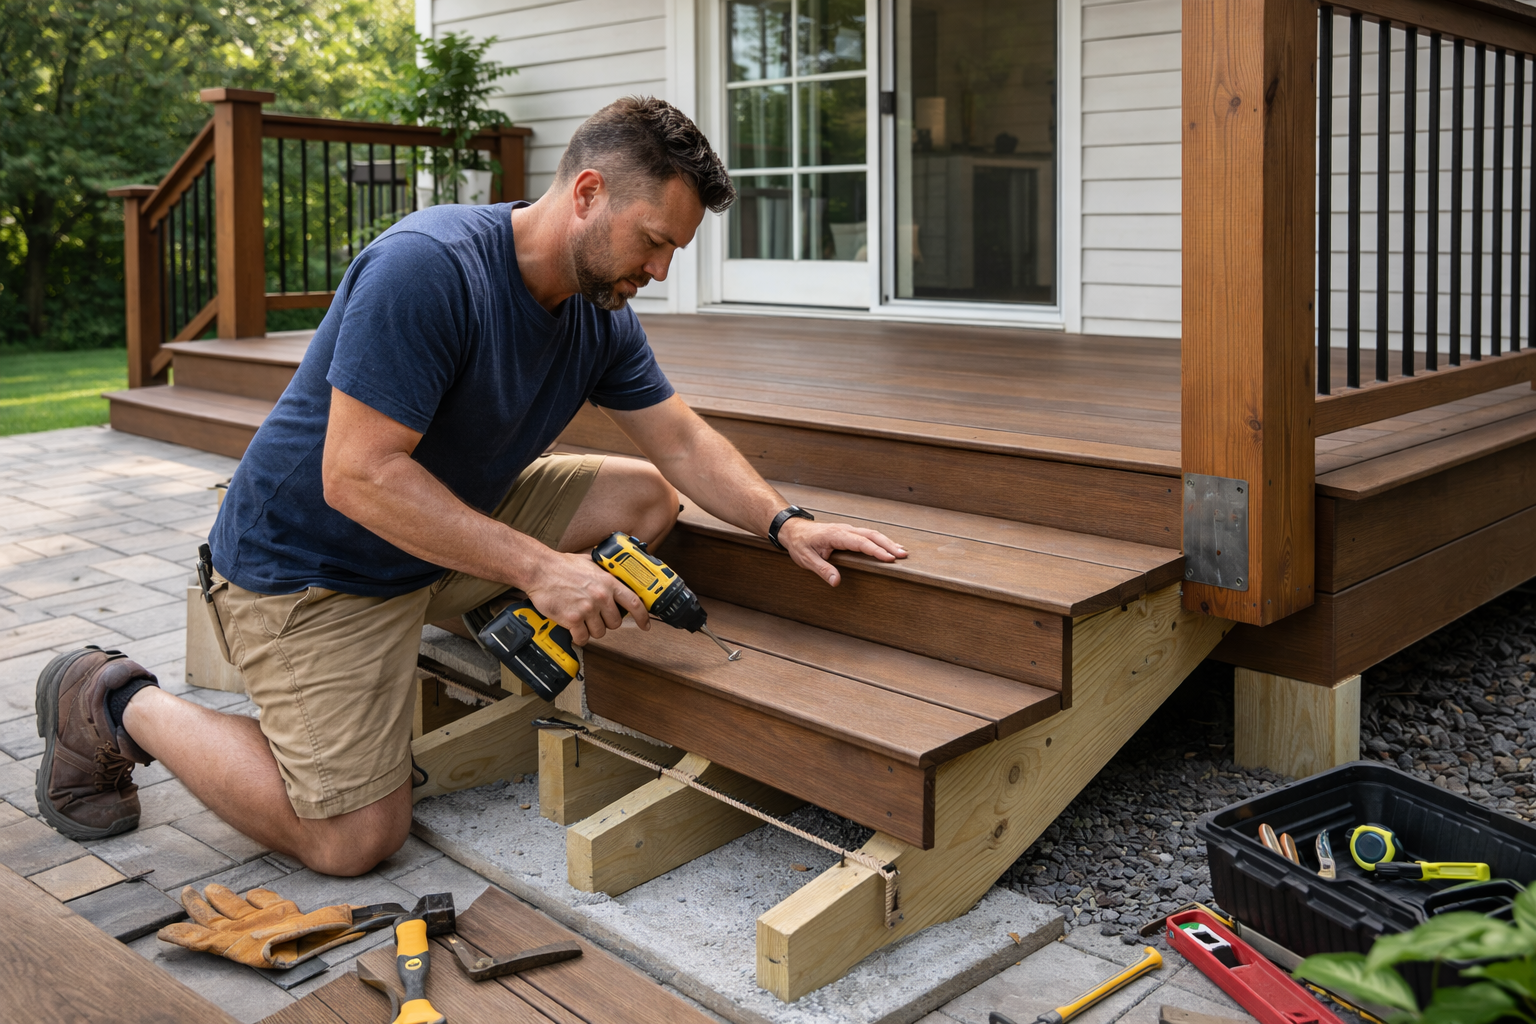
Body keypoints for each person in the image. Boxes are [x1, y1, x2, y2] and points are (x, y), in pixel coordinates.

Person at [34, 97, 905, 876]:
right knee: (354, 841)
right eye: (654, 241)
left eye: (674, 250)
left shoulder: (596, 314)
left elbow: (679, 437)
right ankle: (111, 695)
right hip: (312, 571)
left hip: (429, 538)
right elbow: (356, 476)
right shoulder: (429, 269)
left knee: (643, 497)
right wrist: (538, 569)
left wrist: (784, 522)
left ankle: (480, 601)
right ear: (589, 192)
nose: (662, 271)